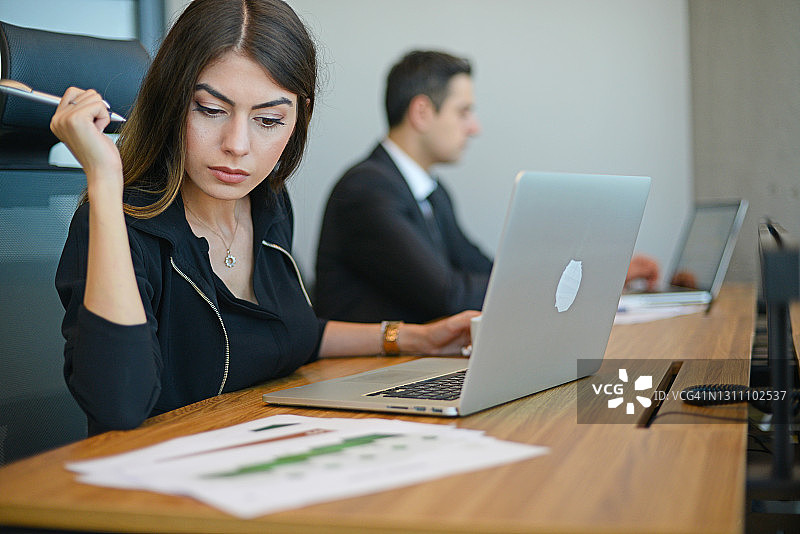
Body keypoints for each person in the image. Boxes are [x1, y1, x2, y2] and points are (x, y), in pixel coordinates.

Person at [52, 0, 475, 436]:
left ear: (298, 118)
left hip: (258, 449)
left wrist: (413, 338)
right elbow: (119, 405)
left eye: (269, 119)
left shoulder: (266, 203)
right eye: (210, 110)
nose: (237, 144)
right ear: (171, 101)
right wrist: (104, 179)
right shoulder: (117, 226)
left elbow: (294, 333)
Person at [315, 50, 659, 324]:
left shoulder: (430, 190)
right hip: (360, 372)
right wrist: (570, 282)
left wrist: (589, 274)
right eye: (463, 112)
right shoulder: (366, 191)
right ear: (421, 112)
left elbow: (482, 268)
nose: (474, 127)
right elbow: (448, 294)